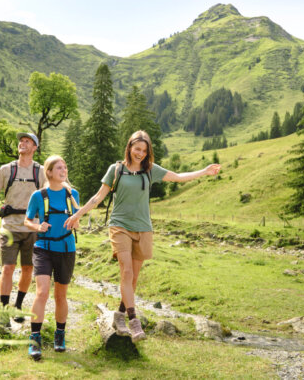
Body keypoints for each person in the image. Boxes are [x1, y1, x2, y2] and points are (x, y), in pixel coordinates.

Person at [65, 130, 220, 342]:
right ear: (129, 147)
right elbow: (97, 198)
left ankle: (119, 315)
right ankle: (133, 320)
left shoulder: (150, 170)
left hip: (143, 228)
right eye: (137, 149)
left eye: (144, 150)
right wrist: (77, 215)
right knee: (126, 271)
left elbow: (178, 177)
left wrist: (204, 171)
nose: (140, 153)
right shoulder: (116, 169)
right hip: (120, 226)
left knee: (134, 277)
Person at [0, 132, 46, 321]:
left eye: (27, 141)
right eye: (21, 141)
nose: (22, 143)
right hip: (9, 226)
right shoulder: (6, 170)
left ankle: (18, 306)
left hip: (32, 228)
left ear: (35, 147)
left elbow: (48, 196)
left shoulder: (40, 172)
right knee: (8, 267)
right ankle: (3, 308)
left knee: (27, 269)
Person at [23, 155, 80, 361]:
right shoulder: (38, 196)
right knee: (42, 292)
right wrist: (38, 226)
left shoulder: (73, 194)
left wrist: (75, 222)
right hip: (43, 248)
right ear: (49, 172)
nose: (63, 171)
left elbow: (76, 219)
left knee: (60, 295)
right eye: (59, 168)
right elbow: (27, 221)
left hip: (66, 248)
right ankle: (35, 339)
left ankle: (60, 335)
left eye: (65, 167)